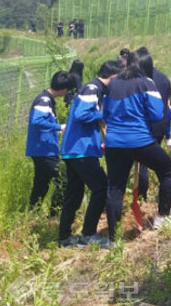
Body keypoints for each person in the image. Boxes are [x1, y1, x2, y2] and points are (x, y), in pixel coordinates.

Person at [103, 51, 171, 240]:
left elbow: (105, 114)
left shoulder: (113, 83)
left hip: (114, 142)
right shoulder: (147, 83)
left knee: (115, 187)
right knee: (168, 169)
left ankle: (114, 238)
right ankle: (162, 217)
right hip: (139, 140)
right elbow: (156, 114)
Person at [58, 60, 123, 248]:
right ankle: (88, 234)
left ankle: (64, 238)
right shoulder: (93, 88)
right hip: (81, 150)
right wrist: (105, 114)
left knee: (74, 194)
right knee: (101, 188)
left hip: (76, 150)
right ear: (113, 77)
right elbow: (81, 114)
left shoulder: (93, 88)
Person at [26, 71, 75, 214]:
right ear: (64, 89)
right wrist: (59, 127)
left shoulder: (46, 99)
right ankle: (55, 214)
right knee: (63, 180)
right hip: (44, 150)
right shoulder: (44, 100)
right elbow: (37, 121)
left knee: (41, 184)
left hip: (41, 149)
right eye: (68, 90)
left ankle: (32, 213)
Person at [135, 47, 171, 201]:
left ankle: (141, 195)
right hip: (160, 126)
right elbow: (168, 104)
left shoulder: (139, 80)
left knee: (142, 163)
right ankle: (165, 188)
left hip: (144, 126)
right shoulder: (164, 78)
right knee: (160, 163)